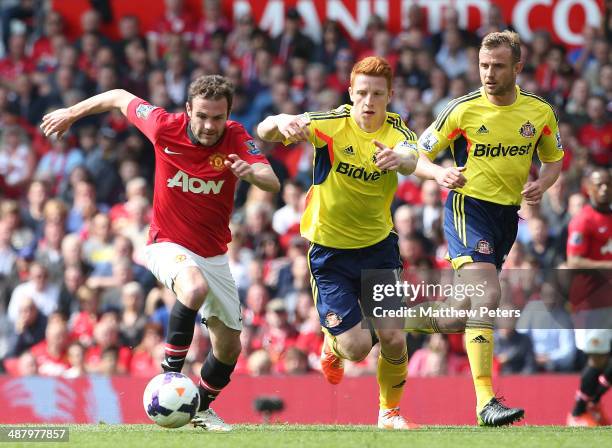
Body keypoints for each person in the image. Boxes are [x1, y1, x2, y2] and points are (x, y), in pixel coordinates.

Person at [40, 74, 280, 431]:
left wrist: (251, 174)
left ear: (228, 115)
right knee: (193, 288)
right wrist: (72, 113)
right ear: (188, 111)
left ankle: (200, 407)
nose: (209, 125)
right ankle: (170, 376)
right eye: (201, 116)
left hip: (214, 254)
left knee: (229, 348)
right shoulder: (164, 126)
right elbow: (119, 95)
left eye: (217, 117)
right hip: (166, 244)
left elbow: (271, 180)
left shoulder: (236, 136)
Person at [257, 56, 419, 429]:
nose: (369, 101)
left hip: (378, 247)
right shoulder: (329, 124)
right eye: (362, 92)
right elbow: (264, 130)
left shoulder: (397, 133)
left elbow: (415, 155)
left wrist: (404, 159)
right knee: (357, 348)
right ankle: (331, 347)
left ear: (390, 96)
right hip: (329, 253)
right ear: (350, 92)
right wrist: (284, 121)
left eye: (377, 94)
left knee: (394, 336)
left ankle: (389, 413)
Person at [413, 31, 564, 426]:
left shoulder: (539, 112)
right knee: (488, 293)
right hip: (468, 208)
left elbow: (553, 161)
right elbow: (417, 153)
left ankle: (396, 320)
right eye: (483, 65)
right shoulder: (461, 110)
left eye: (498, 66)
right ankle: (485, 402)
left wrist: (542, 184)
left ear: (517, 67)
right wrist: (439, 172)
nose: (489, 73)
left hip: (505, 217)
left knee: (457, 314)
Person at [566, 168, 612, 426]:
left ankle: (591, 404)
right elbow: (574, 261)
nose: (604, 188)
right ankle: (577, 413)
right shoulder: (583, 220)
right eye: (599, 185)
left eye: (607, 184)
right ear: (589, 189)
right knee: (598, 358)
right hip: (591, 301)